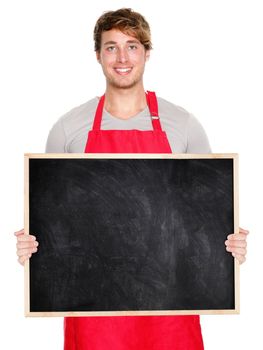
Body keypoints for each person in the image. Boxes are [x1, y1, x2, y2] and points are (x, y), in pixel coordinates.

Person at [15, 8, 249, 350]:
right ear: (97, 55)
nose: (122, 57)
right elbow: (53, 226)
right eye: (111, 47)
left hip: (172, 310)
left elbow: (206, 220)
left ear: (147, 53)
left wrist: (230, 246)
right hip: (94, 314)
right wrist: (33, 247)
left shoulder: (182, 125)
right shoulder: (68, 130)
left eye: (132, 46)